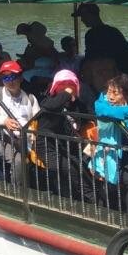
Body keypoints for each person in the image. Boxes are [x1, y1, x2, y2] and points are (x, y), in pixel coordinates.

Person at [90, 74, 128, 216]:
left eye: (115, 93)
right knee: (115, 188)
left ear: (126, 94)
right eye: (109, 91)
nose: (110, 96)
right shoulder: (101, 102)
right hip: (108, 157)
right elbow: (105, 112)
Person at [35, 69, 88, 200]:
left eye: (70, 84)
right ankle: (79, 200)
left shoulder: (78, 106)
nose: (67, 87)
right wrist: (67, 93)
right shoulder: (49, 101)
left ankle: (89, 200)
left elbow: (90, 118)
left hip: (69, 147)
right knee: (70, 169)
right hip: (48, 146)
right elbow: (50, 106)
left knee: (84, 169)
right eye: (62, 84)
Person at [0, 60, 39, 181]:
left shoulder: (30, 98)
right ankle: (17, 191)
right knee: (19, 160)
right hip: (1, 138)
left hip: (27, 140)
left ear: (21, 78)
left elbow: (37, 120)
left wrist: (33, 133)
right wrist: (4, 121)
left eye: (13, 77)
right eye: (6, 78)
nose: (10, 81)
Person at [74, 2, 128, 73]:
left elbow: (90, 58)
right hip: (116, 72)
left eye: (83, 16)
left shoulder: (91, 35)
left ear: (91, 15)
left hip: (103, 73)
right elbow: (125, 52)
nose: (82, 20)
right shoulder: (114, 31)